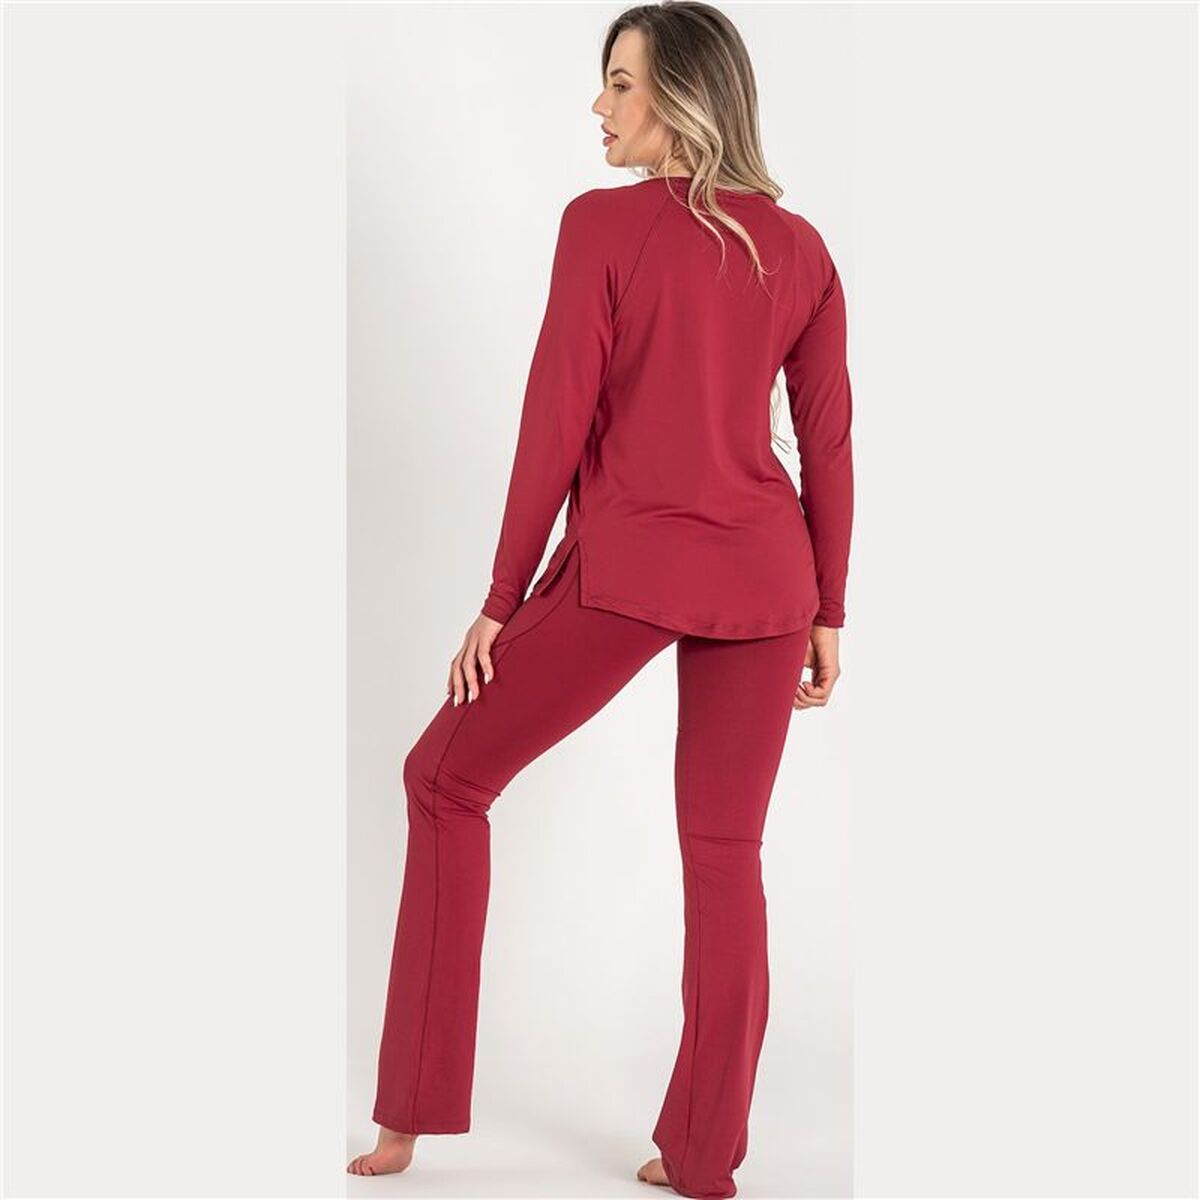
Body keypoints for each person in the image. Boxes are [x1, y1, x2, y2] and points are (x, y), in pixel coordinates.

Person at [347, 2, 853, 1196]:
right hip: (769, 578)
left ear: (681, 96)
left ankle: (410, 1116)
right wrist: (829, 606)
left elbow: (553, 418)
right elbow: (827, 443)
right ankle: (704, 1159)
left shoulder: (602, 226)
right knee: (725, 853)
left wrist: (501, 596)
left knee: (442, 781)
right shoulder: (802, 249)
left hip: (629, 571)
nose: (600, 105)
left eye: (620, 83)